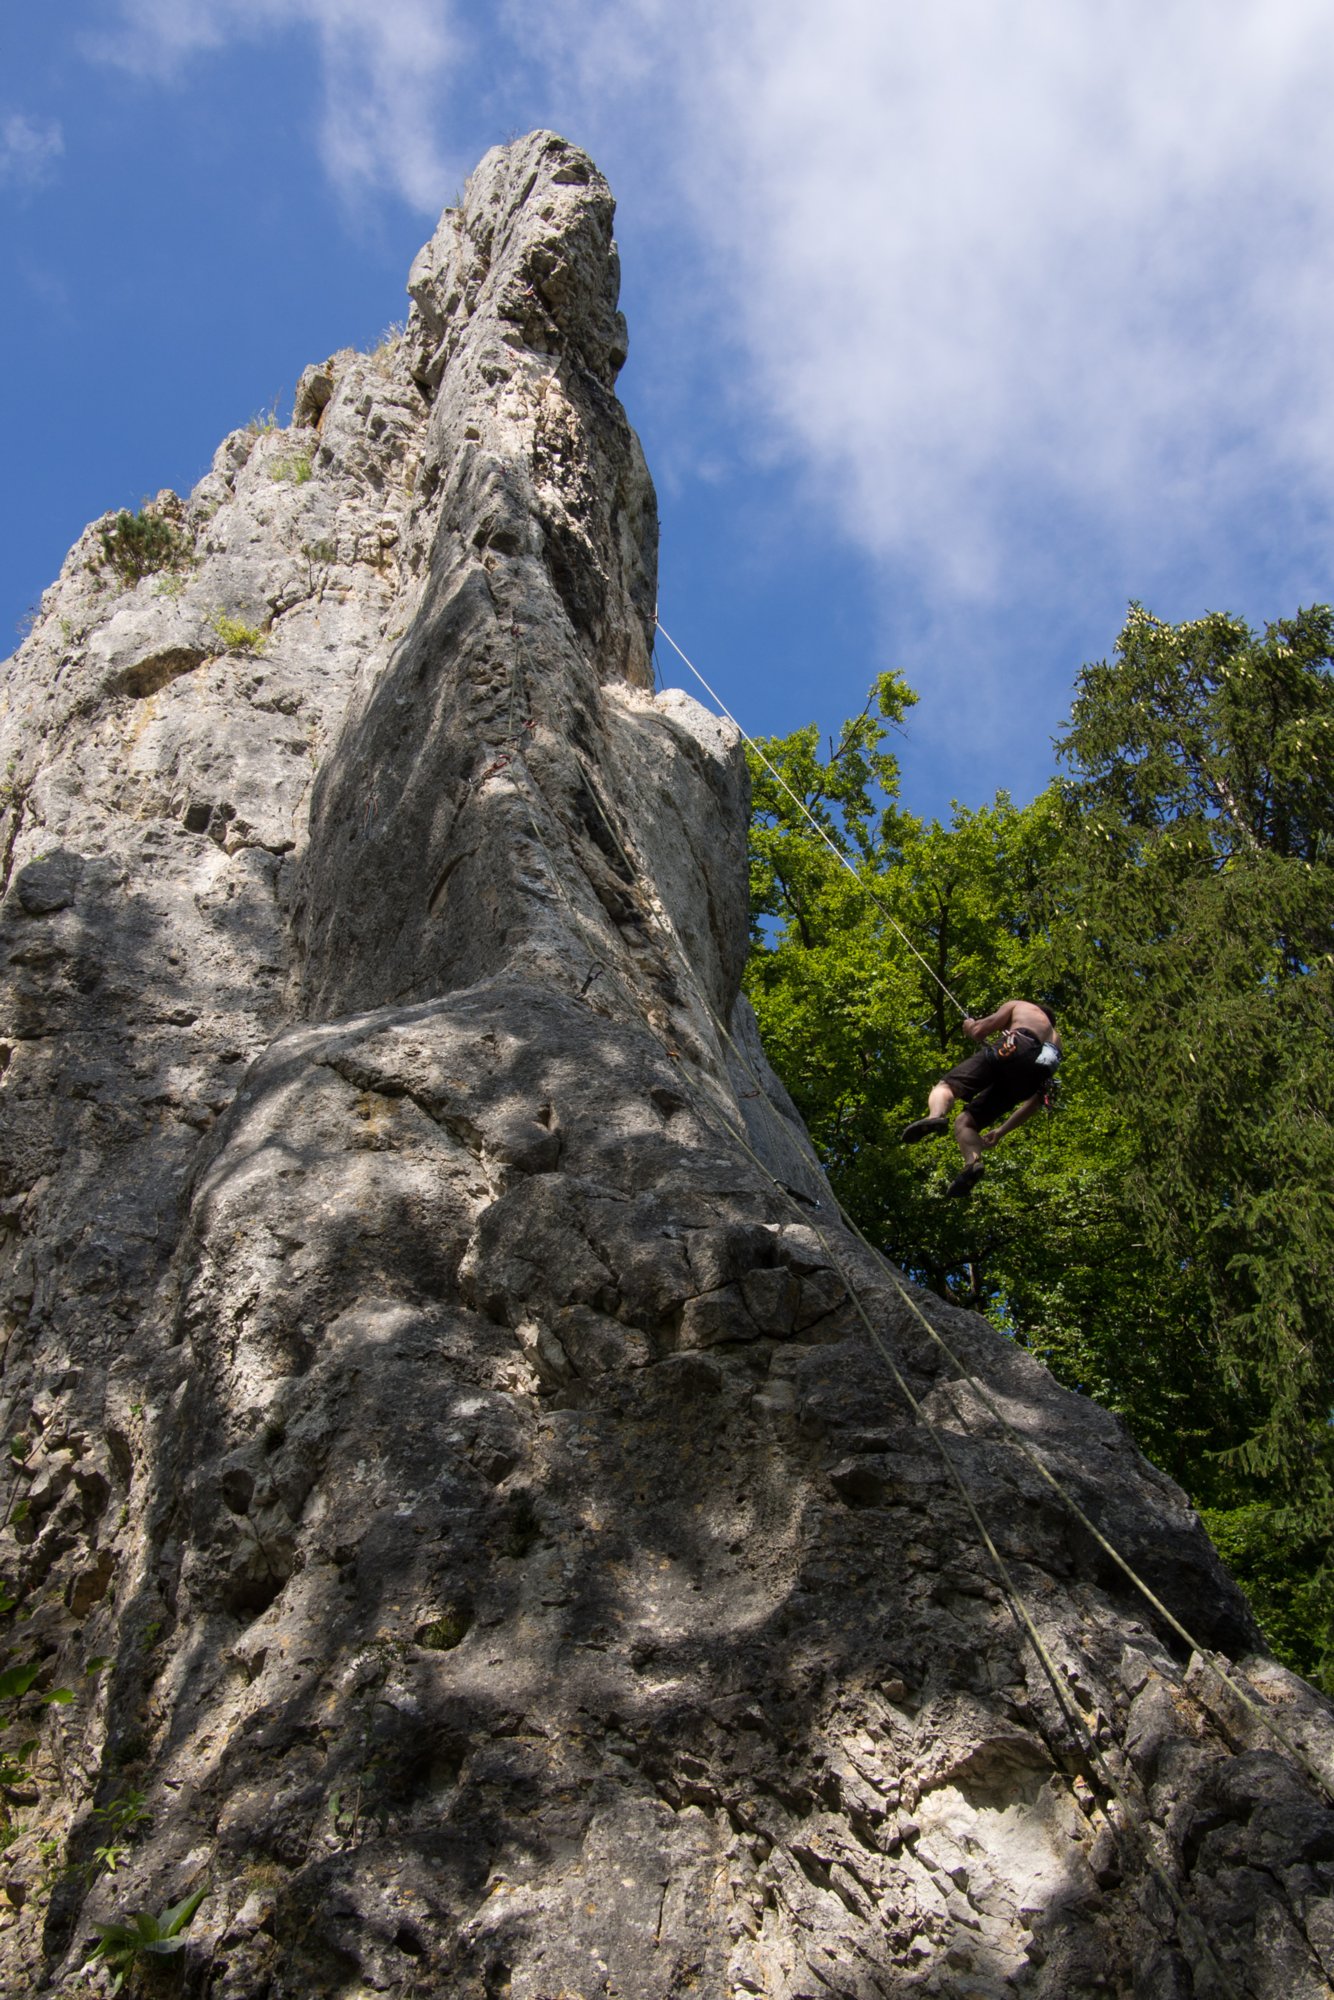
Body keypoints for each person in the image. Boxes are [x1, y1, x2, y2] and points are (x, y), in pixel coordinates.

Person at [901, 999, 1060, 1198]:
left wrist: (970, 1026)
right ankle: (972, 1163)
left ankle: (935, 1117)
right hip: (1030, 1080)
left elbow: (979, 1031)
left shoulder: (1023, 1006)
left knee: (947, 1086)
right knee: (966, 1123)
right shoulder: (1055, 1042)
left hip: (1014, 1047)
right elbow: (1035, 1104)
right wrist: (1001, 1132)